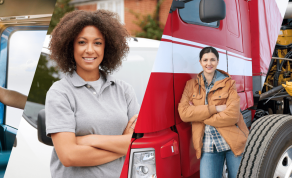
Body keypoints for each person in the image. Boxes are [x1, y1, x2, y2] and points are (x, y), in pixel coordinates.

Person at [45, 10, 139, 178]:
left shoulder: (124, 91)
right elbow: (69, 156)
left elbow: (137, 144)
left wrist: (90, 139)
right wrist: (123, 147)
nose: (90, 50)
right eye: (82, 42)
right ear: (70, 45)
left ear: (107, 46)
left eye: (97, 43)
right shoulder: (60, 92)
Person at [178, 47, 249, 178]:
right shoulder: (190, 85)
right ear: (200, 62)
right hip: (208, 145)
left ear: (217, 61)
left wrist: (198, 115)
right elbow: (183, 113)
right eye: (205, 60)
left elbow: (232, 116)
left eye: (212, 60)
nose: (208, 63)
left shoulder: (229, 83)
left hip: (232, 142)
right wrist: (215, 109)